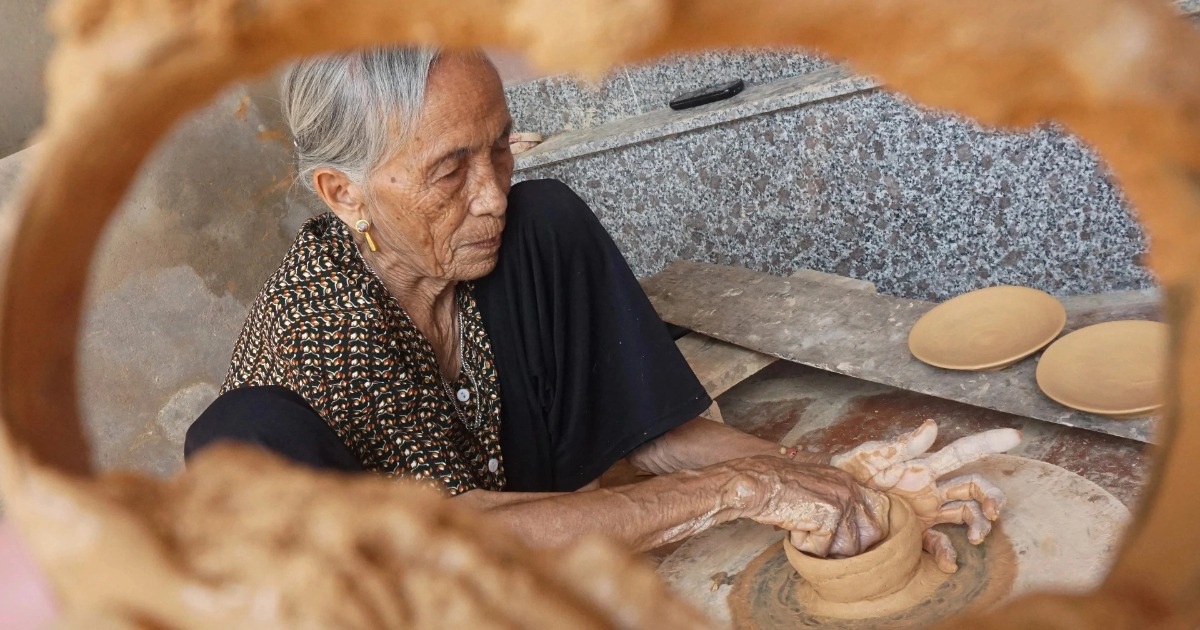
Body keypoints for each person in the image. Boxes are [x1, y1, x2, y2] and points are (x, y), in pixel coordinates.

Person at [186, 47, 1019, 564]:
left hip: (537, 522)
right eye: (450, 172)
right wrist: (741, 491)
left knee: (549, 219)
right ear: (345, 193)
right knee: (237, 439)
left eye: (501, 147)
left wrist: (822, 481)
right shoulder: (311, 352)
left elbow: (649, 435)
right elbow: (457, 540)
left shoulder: (509, 238)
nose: (491, 196)